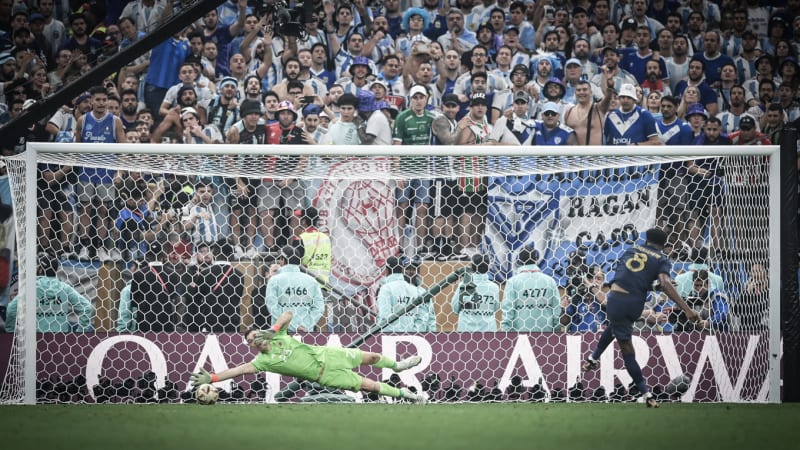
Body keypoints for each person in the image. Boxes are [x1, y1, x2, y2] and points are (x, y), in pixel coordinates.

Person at [189, 310, 428, 403]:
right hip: (325, 376)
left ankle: (397, 365)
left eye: (255, 335)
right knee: (371, 386)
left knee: (373, 357)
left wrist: (272, 330)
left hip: (329, 355)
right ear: (251, 346)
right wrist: (212, 377)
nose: (254, 340)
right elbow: (237, 370)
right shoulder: (262, 362)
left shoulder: (277, 334)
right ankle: (407, 395)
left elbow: (288, 314)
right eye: (250, 341)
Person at [582, 228, 700, 408]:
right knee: (620, 333)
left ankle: (643, 391)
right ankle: (646, 394)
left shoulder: (631, 250)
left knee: (625, 345)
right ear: (664, 245)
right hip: (634, 305)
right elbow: (665, 283)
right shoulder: (661, 259)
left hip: (616, 300)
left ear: (647, 239)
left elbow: (632, 279)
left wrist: (657, 287)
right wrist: (687, 310)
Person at [4, 252, 94, 333]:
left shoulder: (32, 288)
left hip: (35, 340)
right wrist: (80, 332)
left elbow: (11, 309)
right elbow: (87, 308)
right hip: (60, 341)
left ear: (40, 269)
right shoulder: (65, 288)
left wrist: (10, 332)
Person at [264, 245, 325, 332]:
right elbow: (319, 308)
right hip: (305, 332)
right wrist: (306, 326)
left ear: (282, 260)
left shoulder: (274, 280)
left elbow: (272, 308)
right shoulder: (311, 281)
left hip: (282, 333)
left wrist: (291, 326)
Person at [500, 247, 562, 332]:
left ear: (519, 260)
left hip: (520, 336)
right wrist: (556, 332)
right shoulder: (550, 281)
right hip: (546, 335)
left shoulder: (513, 282)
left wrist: (507, 334)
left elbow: (508, 311)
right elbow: (557, 310)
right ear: (536, 259)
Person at [376, 255, 433, 332]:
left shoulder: (386, 288)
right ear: (402, 270)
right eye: (408, 268)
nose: (410, 271)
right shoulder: (415, 290)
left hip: (391, 337)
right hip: (411, 337)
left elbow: (384, 317)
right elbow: (421, 318)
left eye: (413, 269)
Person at [451, 255, 500, 331]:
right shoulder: (494, 288)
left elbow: (455, 308)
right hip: (489, 332)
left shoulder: (463, 285)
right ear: (488, 268)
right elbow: (496, 308)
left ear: (472, 267)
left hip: (466, 332)